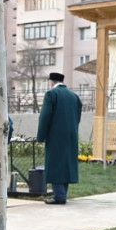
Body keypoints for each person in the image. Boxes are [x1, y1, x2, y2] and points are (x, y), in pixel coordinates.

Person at [36, 72, 82, 205]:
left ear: (51, 82)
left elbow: (45, 116)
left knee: (55, 164)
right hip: (71, 135)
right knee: (66, 164)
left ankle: (59, 196)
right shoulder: (74, 96)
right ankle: (62, 194)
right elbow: (78, 116)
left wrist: (41, 136)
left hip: (55, 135)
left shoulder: (51, 94)